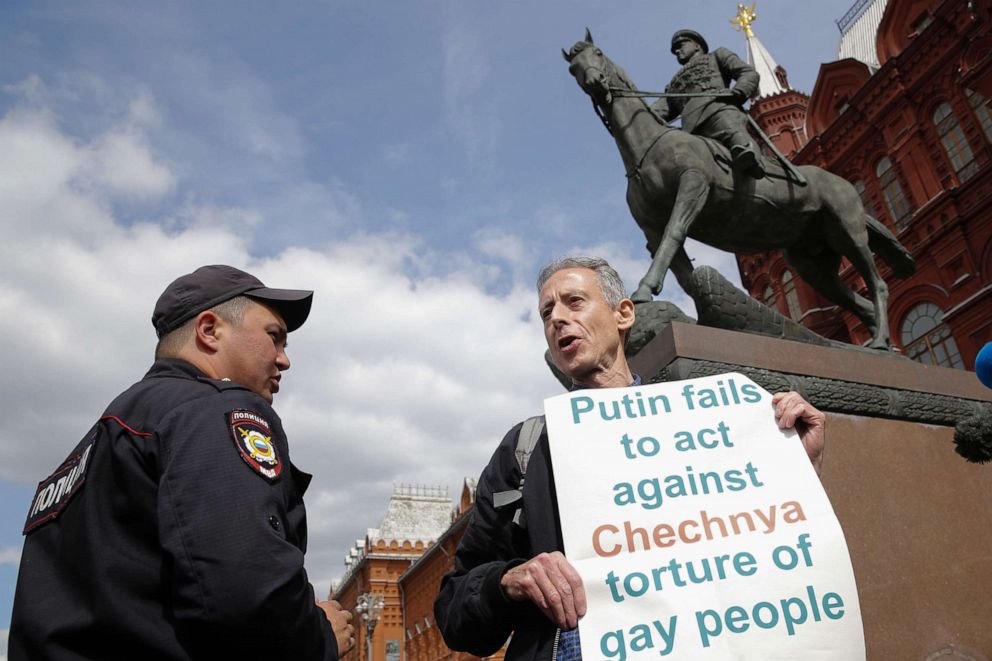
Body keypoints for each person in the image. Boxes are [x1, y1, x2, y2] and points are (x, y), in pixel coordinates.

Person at [434, 256, 825, 660]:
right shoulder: (527, 448)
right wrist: (508, 581)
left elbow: (760, 551)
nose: (557, 320)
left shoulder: (698, 425)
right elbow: (454, 614)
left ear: (623, 314)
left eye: (574, 302)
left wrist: (797, 468)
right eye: (547, 312)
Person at [9, 265, 355, 660]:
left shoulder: (96, 444)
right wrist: (318, 638)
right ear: (209, 330)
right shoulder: (213, 410)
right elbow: (244, 586)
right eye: (274, 338)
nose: (283, 360)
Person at [652, 29, 765, 178]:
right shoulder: (673, 84)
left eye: (681, 45)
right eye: (675, 50)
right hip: (690, 130)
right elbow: (658, 111)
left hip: (718, 109)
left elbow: (748, 73)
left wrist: (738, 91)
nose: (678, 51)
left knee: (729, 129)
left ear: (697, 45)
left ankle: (750, 157)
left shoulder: (717, 56)